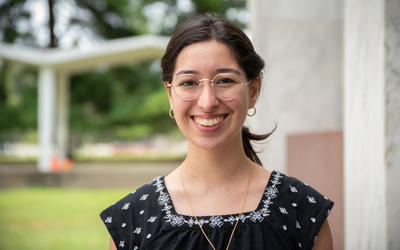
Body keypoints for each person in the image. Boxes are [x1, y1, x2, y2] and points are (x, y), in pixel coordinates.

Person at [100, 14, 334, 250]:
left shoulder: (302, 211)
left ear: (253, 90)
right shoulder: (131, 220)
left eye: (224, 80)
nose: (208, 102)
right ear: (170, 94)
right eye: (189, 82)